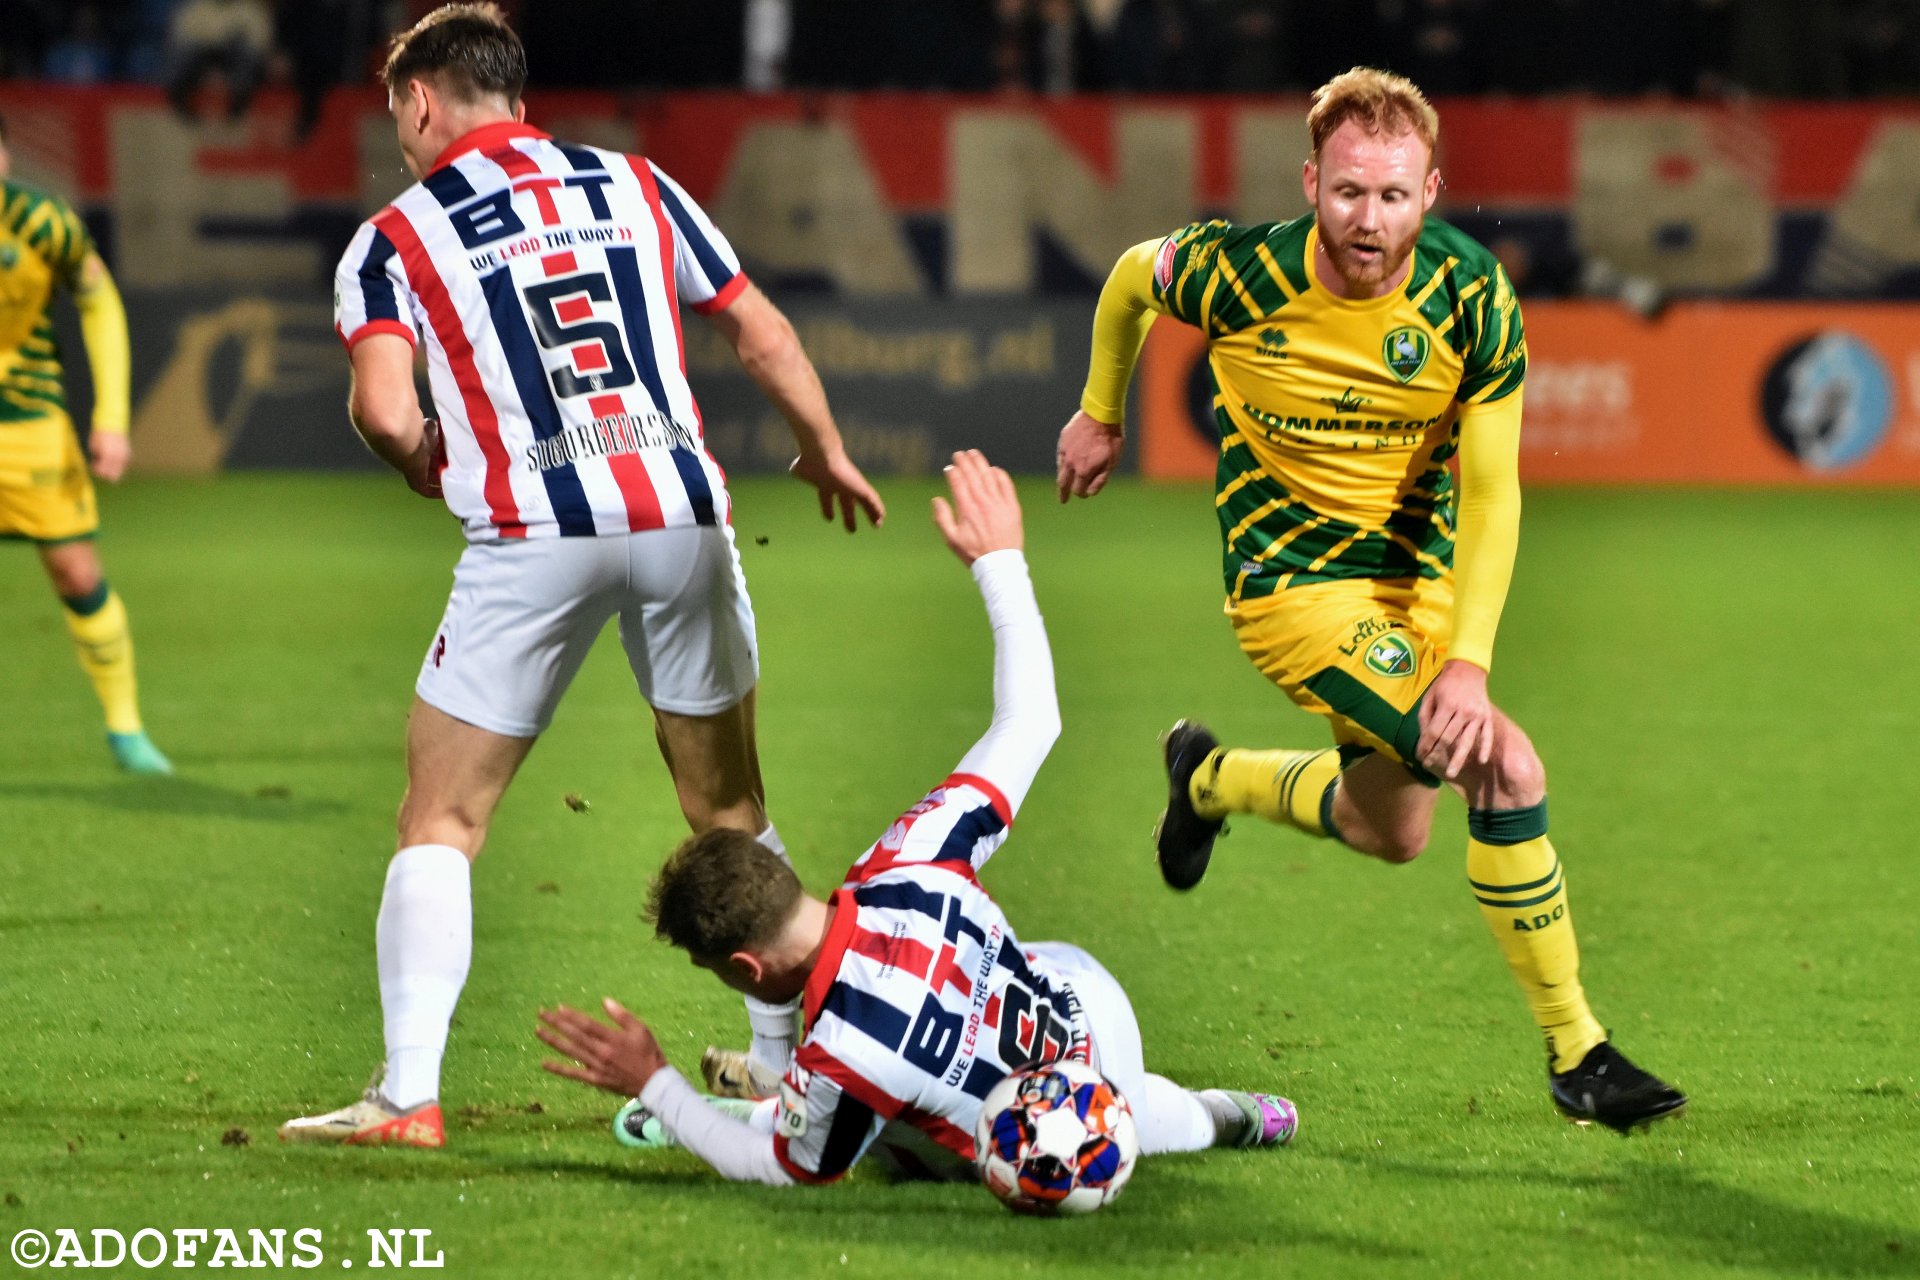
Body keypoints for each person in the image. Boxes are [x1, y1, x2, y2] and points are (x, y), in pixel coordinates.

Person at [278, 3, 885, 1149]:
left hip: (534, 532)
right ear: (513, 92)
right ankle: (784, 1063)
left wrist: (416, 460)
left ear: (418, 101)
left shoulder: (397, 237)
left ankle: (409, 1092)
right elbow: (756, 327)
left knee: (442, 816)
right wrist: (823, 444)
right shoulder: (637, 184)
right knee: (728, 807)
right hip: (680, 513)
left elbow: (382, 405)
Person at [1054, 68, 1685, 1134]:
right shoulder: (1239, 272)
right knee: (1503, 763)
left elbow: (1492, 492)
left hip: (1419, 599)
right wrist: (1098, 412)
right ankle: (1580, 1050)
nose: (1369, 219)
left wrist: (1469, 657)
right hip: (1291, 591)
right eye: (1349, 191)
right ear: (1311, 181)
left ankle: (1207, 778)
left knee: (1392, 829)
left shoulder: (1472, 295)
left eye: (1393, 195)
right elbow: (1127, 278)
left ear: (1430, 192)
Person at [535, 451, 1299, 1185]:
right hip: (1096, 1014)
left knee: (876, 1130)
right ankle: (1225, 1115)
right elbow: (1030, 722)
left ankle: (767, 1103)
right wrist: (1000, 562)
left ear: (744, 968)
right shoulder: (909, 858)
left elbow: (777, 1171)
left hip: (1015, 1119)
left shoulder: (848, 1055)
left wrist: (656, 1081)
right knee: (1103, 1090)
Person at [0, 113, 171, 776]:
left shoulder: (41, 222)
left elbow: (98, 303)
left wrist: (112, 418)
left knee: (76, 572)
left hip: (31, 427)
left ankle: (126, 730)